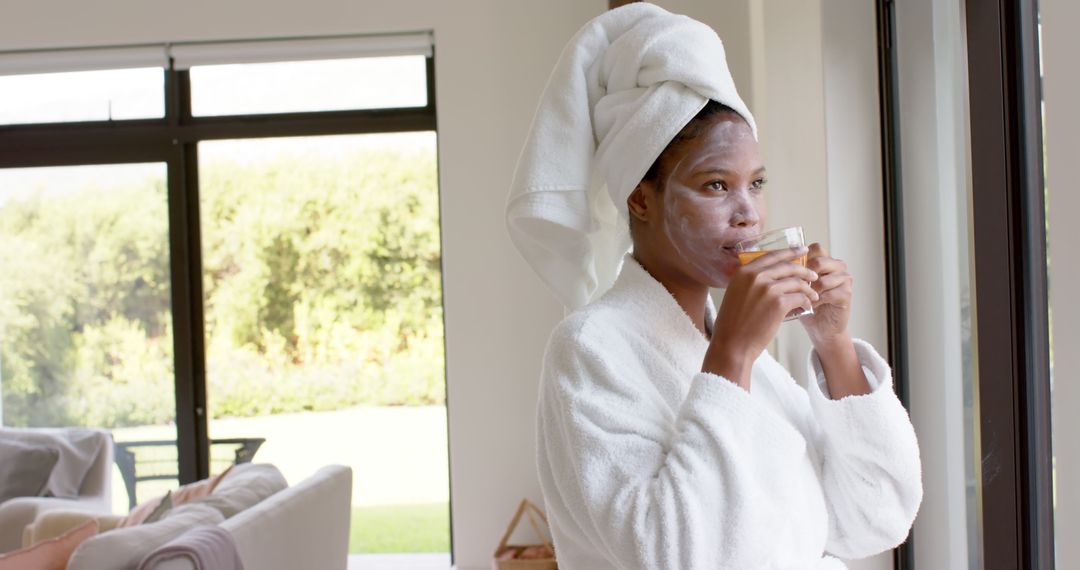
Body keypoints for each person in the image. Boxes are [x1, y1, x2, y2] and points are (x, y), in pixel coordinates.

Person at [506, 3, 922, 569]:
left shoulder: (749, 363)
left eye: (757, 182)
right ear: (641, 198)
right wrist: (734, 351)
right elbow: (679, 555)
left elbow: (873, 520)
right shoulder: (589, 349)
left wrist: (834, 345)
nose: (747, 213)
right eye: (715, 184)